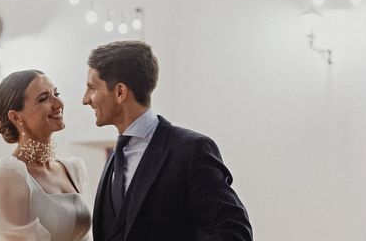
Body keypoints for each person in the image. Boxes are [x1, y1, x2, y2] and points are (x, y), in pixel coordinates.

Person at [83, 41, 252, 241]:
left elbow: (234, 231)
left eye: (92, 88)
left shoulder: (192, 151)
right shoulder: (115, 157)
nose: (86, 99)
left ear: (120, 92)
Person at [0, 69, 92, 241]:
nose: (58, 103)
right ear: (16, 117)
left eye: (56, 94)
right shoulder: (8, 175)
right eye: (43, 99)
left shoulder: (74, 169)